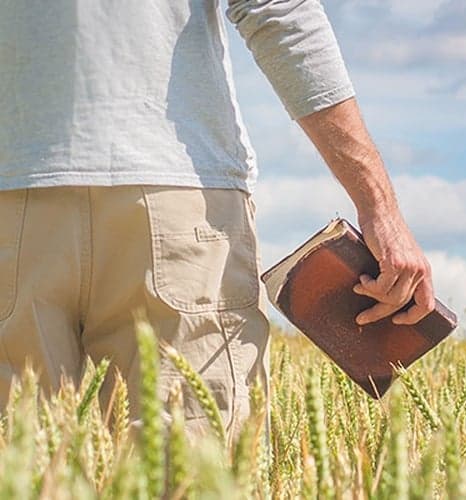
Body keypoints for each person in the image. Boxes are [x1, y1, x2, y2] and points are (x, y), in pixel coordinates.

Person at [0, 0, 435, 435]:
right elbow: (279, 10)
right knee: (192, 472)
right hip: (176, 195)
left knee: (23, 467)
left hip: (12, 192)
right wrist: (380, 208)